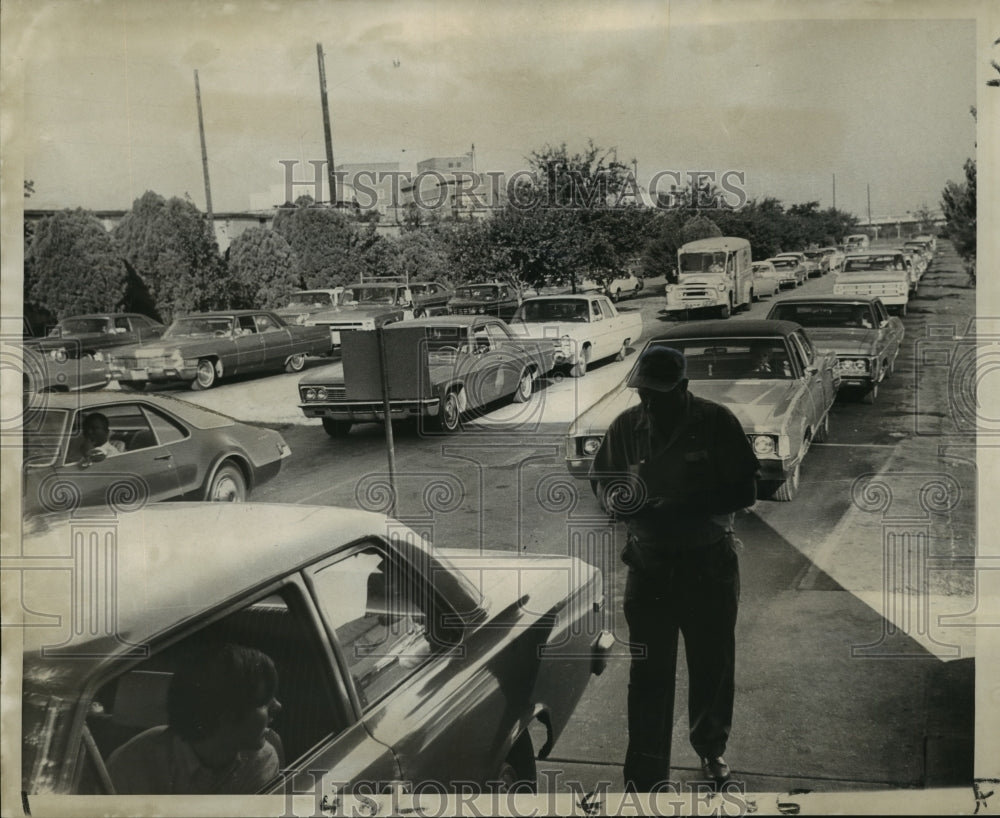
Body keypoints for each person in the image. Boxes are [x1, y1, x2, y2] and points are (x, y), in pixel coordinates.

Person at [589, 345, 759, 792]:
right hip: (649, 569)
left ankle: (710, 749)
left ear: (683, 388)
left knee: (712, 667)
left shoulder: (716, 422)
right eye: (643, 392)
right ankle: (646, 772)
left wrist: (681, 505)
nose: (649, 401)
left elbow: (745, 489)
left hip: (709, 567)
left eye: (659, 393)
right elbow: (602, 478)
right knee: (649, 674)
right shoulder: (627, 426)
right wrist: (619, 501)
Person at [107, 642, 283, 794]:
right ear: (226, 716)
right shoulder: (133, 762)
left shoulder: (261, 761)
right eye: (264, 702)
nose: (278, 706)